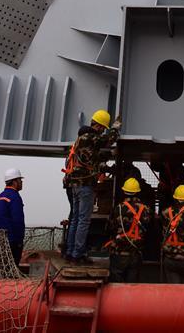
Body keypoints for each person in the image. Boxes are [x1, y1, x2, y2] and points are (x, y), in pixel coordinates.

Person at [63, 109, 121, 263]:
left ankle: (70, 252)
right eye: (103, 128)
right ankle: (78, 254)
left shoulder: (80, 138)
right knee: (83, 220)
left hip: (75, 184)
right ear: (100, 126)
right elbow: (108, 140)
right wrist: (115, 128)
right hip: (85, 185)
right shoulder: (91, 137)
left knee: (75, 219)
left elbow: (91, 157)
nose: (102, 130)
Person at [105, 177, 151, 282]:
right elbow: (148, 228)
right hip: (136, 253)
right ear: (138, 192)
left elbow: (110, 228)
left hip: (119, 253)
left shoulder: (118, 208)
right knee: (132, 285)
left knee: (116, 284)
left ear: (124, 191)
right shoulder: (146, 209)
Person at [0, 168, 25, 265]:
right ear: (14, 182)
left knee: (2, 267)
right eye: (20, 180)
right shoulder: (14, 197)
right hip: (12, 242)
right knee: (13, 268)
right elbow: (18, 221)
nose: (21, 182)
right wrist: (19, 240)